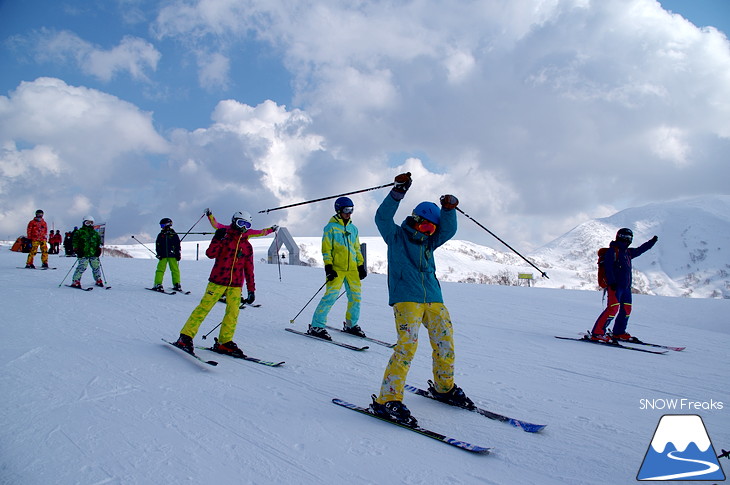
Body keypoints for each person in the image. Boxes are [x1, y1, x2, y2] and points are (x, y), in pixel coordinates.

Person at [369, 173, 473, 427]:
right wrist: (398, 192)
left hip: (434, 298)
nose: (430, 233)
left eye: (433, 229)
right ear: (415, 221)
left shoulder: (430, 243)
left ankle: (444, 387)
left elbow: (449, 229)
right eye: (426, 227)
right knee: (407, 346)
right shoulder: (396, 237)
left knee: (445, 342)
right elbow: (381, 217)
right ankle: (387, 400)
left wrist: (449, 209)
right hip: (406, 298)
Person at [172, 211, 277, 357]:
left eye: (247, 225)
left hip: (235, 285)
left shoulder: (247, 246)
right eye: (241, 223)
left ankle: (224, 341)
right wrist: (217, 238)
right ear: (234, 221)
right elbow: (210, 254)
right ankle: (185, 337)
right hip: (217, 281)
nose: (243, 228)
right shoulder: (225, 238)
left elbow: (249, 269)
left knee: (233, 313)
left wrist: (251, 289)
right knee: (203, 308)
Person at [307, 196, 367, 341]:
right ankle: (317, 325)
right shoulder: (330, 228)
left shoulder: (354, 229)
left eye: (351, 210)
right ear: (339, 210)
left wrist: (360, 265)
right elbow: (326, 249)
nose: (349, 213)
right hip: (337, 269)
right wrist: (328, 266)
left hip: (352, 269)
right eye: (346, 210)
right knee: (331, 296)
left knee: (356, 297)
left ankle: (351, 325)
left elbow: (356, 248)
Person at [590, 228, 658, 342]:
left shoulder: (628, 252)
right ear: (619, 236)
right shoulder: (613, 251)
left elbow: (640, 250)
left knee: (626, 309)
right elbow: (608, 267)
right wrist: (611, 283)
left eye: (629, 238)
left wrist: (652, 242)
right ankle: (597, 333)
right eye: (625, 237)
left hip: (626, 288)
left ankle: (619, 332)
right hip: (615, 287)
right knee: (612, 309)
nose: (627, 240)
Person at [151, 218, 183, 292]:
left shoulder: (173, 234)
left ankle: (176, 284)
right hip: (164, 255)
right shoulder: (161, 235)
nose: (161, 227)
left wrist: (178, 254)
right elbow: (158, 245)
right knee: (163, 270)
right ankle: (159, 284)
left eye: (162, 225)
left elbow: (177, 245)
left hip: (171, 255)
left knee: (173, 270)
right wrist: (159, 254)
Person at [71, 216, 104, 288]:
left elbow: (98, 241)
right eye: (87, 222)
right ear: (84, 223)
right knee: (82, 266)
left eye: (91, 223)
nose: (89, 224)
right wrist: (76, 249)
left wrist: (99, 249)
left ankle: (98, 279)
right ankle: (76, 281)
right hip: (83, 253)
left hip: (93, 253)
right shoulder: (79, 232)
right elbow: (75, 241)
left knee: (96, 266)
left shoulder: (95, 233)